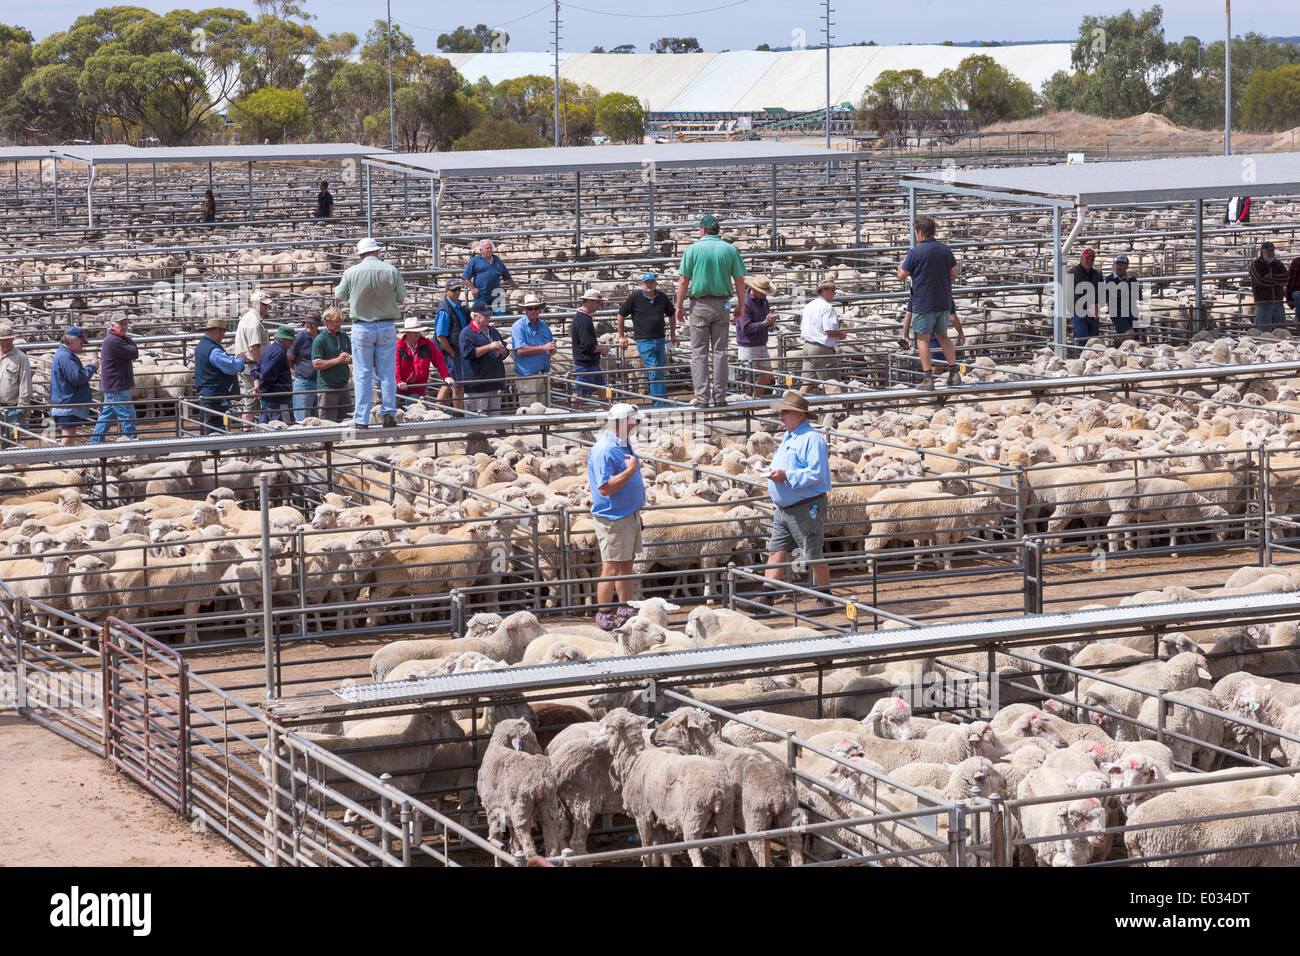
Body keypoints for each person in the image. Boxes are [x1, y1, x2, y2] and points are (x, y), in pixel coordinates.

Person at [753, 390, 833, 613]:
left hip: (807, 507)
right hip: (785, 508)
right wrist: (769, 472)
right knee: (775, 551)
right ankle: (766, 598)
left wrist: (786, 476)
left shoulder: (812, 439)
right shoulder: (789, 437)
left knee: (811, 552)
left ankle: (825, 598)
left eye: (786, 412)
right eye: (781, 411)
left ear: (800, 415)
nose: (781, 415)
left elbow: (817, 473)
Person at [675, 214, 746, 407]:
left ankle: (703, 398)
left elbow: (683, 280)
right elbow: (740, 280)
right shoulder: (730, 250)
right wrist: (741, 305)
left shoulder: (692, 250)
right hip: (722, 303)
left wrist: (679, 306)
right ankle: (720, 397)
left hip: (699, 305)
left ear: (702, 230)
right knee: (720, 351)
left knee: (699, 351)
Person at [586, 403, 645, 631]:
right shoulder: (604, 450)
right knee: (611, 566)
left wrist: (635, 509)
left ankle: (625, 610)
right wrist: (630, 471)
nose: (637, 425)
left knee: (626, 564)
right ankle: (605, 616)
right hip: (612, 517)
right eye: (635, 421)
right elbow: (604, 488)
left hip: (627, 514)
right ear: (624, 422)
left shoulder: (624, 444)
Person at [335, 236, 403, 428]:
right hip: (386, 324)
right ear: (377, 252)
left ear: (360, 254)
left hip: (362, 326)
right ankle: (389, 413)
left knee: (362, 373)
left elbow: (338, 297)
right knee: (387, 372)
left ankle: (361, 419)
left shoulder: (351, 272)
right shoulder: (391, 270)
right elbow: (401, 299)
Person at [898, 214, 960, 390]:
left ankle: (928, 378)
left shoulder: (915, 252)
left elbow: (901, 275)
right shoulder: (945, 250)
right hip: (943, 300)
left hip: (923, 301)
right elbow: (954, 273)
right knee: (943, 336)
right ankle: (954, 373)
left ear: (919, 232)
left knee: (923, 339)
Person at [617, 272, 676, 406]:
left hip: (660, 339)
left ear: (655, 283)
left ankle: (662, 401)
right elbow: (621, 314)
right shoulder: (635, 298)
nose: (649, 285)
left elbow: (672, 314)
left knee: (659, 371)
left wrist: (673, 334)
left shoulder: (662, 297)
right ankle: (659, 404)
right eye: (646, 283)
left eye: (651, 282)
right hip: (644, 340)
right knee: (654, 369)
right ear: (642, 285)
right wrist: (621, 336)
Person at [89, 313, 139, 443]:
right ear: (112, 325)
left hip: (113, 384)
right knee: (128, 415)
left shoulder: (113, 339)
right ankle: (132, 443)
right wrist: (129, 339)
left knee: (106, 416)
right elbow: (134, 353)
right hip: (117, 385)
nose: (124, 327)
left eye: (125, 324)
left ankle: (95, 442)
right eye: (120, 324)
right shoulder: (115, 341)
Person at [193, 317, 244, 433]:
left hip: (207, 393)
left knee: (209, 425)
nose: (223, 336)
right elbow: (232, 367)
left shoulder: (201, 346)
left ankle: (210, 448)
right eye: (223, 333)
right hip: (215, 396)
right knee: (215, 429)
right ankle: (214, 450)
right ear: (217, 331)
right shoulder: (214, 350)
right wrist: (240, 360)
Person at [798, 279, 848, 395]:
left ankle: (793, 404)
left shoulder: (810, 305)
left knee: (807, 382)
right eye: (832, 291)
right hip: (821, 349)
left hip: (807, 347)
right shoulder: (827, 307)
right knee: (832, 384)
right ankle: (835, 409)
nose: (834, 294)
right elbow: (829, 330)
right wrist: (841, 335)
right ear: (823, 291)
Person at [50, 327, 98, 446]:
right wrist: (91, 367)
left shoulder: (65, 355)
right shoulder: (65, 356)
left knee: (69, 434)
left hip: (67, 402)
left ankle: (63, 460)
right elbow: (77, 378)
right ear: (74, 340)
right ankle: (61, 460)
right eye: (81, 343)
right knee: (68, 435)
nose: (82, 346)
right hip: (67, 403)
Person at [459, 305, 508, 415]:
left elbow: (504, 351)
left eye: (489, 315)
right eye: (485, 315)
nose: (488, 318)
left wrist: (503, 351)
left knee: (494, 418)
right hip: (477, 385)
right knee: (478, 420)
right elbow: (468, 353)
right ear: (475, 316)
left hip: (494, 383)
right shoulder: (467, 333)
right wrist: (490, 347)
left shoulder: (493, 331)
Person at [510, 293, 556, 407]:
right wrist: (543, 348)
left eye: (536, 308)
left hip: (544, 374)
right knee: (529, 411)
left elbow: (550, 347)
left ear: (540, 309)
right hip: (528, 376)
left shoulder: (544, 326)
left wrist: (552, 349)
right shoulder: (518, 326)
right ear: (525, 310)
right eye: (530, 308)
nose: (533, 311)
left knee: (545, 410)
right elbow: (520, 350)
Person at [396, 315, 454, 405]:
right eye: (414, 332)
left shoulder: (427, 344)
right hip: (398, 388)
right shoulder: (398, 346)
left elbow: (439, 360)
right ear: (406, 333)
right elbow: (395, 365)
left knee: (414, 407)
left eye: (419, 331)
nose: (418, 334)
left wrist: (446, 376)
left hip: (417, 387)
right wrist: (398, 381)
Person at [734, 274, 776, 398]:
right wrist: (764, 323)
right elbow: (746, 327)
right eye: (763, 292)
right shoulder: (744, 304)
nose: (765, 294)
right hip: (748, 345)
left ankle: (754, 398)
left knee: (768, 375)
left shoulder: (763, 301)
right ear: (755, 289)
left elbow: (764, 321)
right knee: (747, 378)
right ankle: (747, 402)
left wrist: (769, 322)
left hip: (761, 343)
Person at [234, 289, 272, 424]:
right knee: (252, 401)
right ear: (255, 304)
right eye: (264, 304)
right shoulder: (253, 322)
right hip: (252, 367)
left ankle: (249, 430)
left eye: (267, 305)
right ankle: (247, 432)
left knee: (252, 399)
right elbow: (253, 348)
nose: (267, 307)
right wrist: (264, 366)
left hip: (250, 365)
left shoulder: (250, 319)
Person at [312, 307, 353, 422]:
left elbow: (351, 356)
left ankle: (347, 440)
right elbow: (316, 364)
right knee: (328, 423)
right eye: (336, 321)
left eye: (340, 321)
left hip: (343, 385)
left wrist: (348, 358)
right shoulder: (320, 340)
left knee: (347, 421)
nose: (339, 324)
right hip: (328, 388)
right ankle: (328, 440)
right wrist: (338, 360)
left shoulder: (343, 336)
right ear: (327, 322)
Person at [571, 289, 610, 409]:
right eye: (598, 303)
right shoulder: (584, 320)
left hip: (590, 363)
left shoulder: (584, 318)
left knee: (602, 388)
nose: (599, 305)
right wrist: (601, 349)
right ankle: (569, 414)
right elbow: (586, 346)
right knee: (580, 392)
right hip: (586, 364)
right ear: (589, 302)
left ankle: (608, 413)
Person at [434, 278, 470, 410]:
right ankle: (457, 413)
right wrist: (452, 353)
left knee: (450, 382)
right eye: (453, 290)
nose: (457, 292)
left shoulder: (458, 307)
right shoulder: (445, 310)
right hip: (450, 351)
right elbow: (441, 337)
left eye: (458, 289)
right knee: (455, 382)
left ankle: (439, 412)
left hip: (455, 350)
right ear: (446, 291)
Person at [462, 239, 517, 314]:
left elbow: (505, 274)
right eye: (487, 248)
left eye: (490, 248)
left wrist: (513, 283)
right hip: (481, 295)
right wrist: (473, 288)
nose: (489, 250)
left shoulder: (497, 260)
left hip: (496, 294)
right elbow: (466, 277)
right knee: (482, 316)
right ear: (481, 250)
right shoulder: (475, 261)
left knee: (500, 317)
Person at [255, 325, 296, 424]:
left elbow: (256, 369)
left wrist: (258, 386)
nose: (292, 343)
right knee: (285, 427)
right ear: (285, 340)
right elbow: (268, 375)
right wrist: (261, 390)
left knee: (265, 428)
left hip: (268, 401)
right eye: (291, 340)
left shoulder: (269, 350)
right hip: (280, 400)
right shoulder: (279, 353)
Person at [0, 322, 34, 433]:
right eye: (2, 340)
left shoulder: (21, 358)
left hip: (13, 408)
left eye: (8, 339)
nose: (5, 342)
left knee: (14, 440)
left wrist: (21, 406)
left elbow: (25, 383)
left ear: (12, 339)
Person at [1065, 248, 1104, 346]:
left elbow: (1101, 292)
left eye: (1091, 259)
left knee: (1094, 337)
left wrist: (1096, 305)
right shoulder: (1073, 273)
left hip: (1093, 310)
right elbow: (1074, 294)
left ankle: (1093, 357)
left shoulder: (1097, 274)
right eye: (1087, 259)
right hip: (1078, 310)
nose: (1089, 261)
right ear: (1081, 259)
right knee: (1083, 336)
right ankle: (1082, 358)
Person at [1250, 241, 1289, 331]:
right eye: (1268, 251)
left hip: (1278, 302)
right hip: (1264, 302)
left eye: (1272, 251)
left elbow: (1286, 277)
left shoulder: (1277, 263)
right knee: (1263, 331)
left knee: (1282, 330)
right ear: (1262, 252)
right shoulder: (1255, 264)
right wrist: (1278, 283)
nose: (1271, 253)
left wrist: (1270, 276)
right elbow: (1260, 282)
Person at [288, 314, 320, 422]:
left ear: (318, 324)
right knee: (302, 419)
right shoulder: (300, 338)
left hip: (319, 382)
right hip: (304, 382)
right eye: (307, 322)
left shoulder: (321, 337)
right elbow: (289, 357)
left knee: (317, 419)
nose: (309, 325)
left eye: (312, 322)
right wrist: (298, 370)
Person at [1104, 254, 1142, 345]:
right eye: (1117, 264)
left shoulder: (1132, 279)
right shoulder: (1109, 279)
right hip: (1117, 312)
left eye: (1122, 264)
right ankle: (1118, 341)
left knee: (1135, 337)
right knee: (1130, 334)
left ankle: (1124, 353)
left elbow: (1139, 295)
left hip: (1132, 311)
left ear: (1127, 266)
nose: (1119, 266)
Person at [1287, 254, 1300, 324]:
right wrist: (1288, 297)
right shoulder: (1296, 262)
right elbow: (1290, 281)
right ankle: (1298, 318)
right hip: (1297, 291)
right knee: (1298, 295)